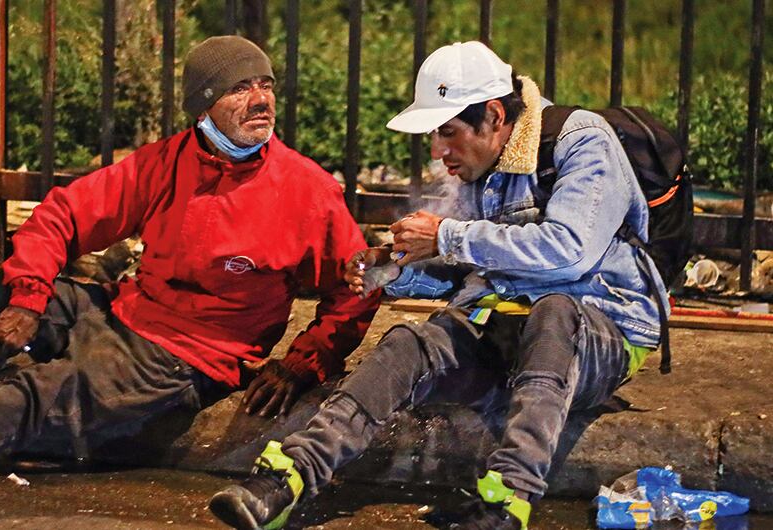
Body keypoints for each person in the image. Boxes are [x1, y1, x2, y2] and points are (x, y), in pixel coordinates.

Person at [0, 35, 380, 493]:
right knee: (6, 291)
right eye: (239, 87)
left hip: (188, 356)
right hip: (123, 311)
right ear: (203, 104)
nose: (260, 99)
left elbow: (360, 284)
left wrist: (305, 364)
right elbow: (62, 213)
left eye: (265, 84)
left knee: (49, 393)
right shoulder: (168, 161)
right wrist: (31, 299)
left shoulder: (305, 190)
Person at [208, 40, 668, 530]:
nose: (437, 150)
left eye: (448, 132)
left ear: (493, 115)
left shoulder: (583, 142)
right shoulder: (479, 166)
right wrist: (391, 270)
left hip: (598, 338)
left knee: (555, 312)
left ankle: (505, 504)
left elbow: (569, 250)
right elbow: (466, 267)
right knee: (410, 341)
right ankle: (286, 479)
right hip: (507, 329)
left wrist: (446, 235)